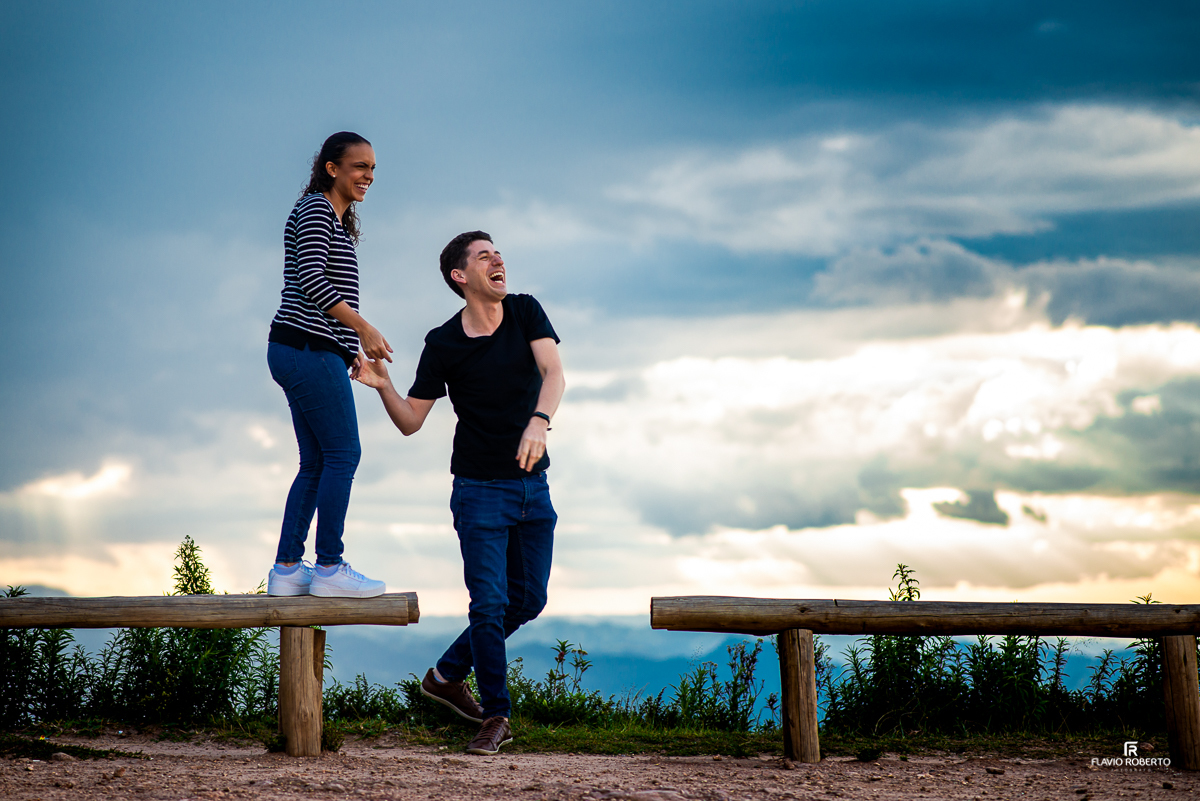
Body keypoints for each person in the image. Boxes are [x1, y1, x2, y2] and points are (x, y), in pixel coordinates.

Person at [354, 231, 565, 755]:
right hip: (478, 492)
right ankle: (496, 716)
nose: (498, 259)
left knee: (528, 599)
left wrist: (539, 421)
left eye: (498, 252)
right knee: (489, 604)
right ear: (460, 276)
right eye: (483, 255)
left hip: (532, 488)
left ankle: (446, 674)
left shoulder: (524, 312)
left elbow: (554, 373)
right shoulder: (443, 342)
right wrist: (383, 387)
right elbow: (412, 421)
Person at [265, 131, 392, 599]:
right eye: (360, 167)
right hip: (305, 350)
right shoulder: (317, 210)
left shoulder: (330, 220)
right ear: (332, 168)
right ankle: (330, 566)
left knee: (317, 462)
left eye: (374, 169)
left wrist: (345, 347)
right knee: (344, 455)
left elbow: (314, 294)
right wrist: (362, 328)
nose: (369, 176)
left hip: (308, 349)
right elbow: (315, 282)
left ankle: (286, 568)